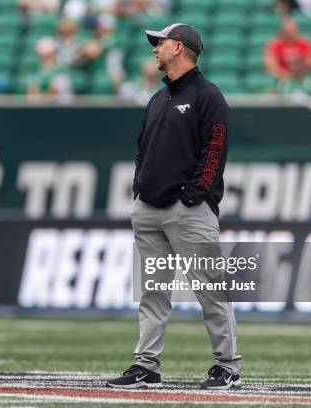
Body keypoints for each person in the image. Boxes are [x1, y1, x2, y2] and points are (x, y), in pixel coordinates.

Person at [106, 23, 242, 390]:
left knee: (210, 289)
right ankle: (146, 366)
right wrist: (138, 189)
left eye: (160, 43)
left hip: (189, 209)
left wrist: (193, 194)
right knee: (152, 291)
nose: (155, 49)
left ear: (178, 48)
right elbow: (142, 149)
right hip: (148, 209)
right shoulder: (158, 98)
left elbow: (215, 150)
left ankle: (228, 367)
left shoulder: (207, 95)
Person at [264, 17, 311, 94]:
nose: (290, 33)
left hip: (302, 78)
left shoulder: (304, 43)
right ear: (282, 31)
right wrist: (286, 74)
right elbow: (270, 66)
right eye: (287, 31)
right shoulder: (274, 45)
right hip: (282, 79)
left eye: (293, 30)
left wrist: (300, 64)